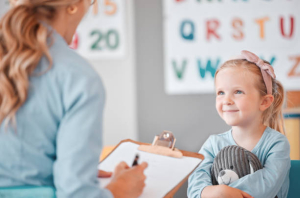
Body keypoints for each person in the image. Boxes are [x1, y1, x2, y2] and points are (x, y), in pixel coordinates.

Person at [0, 0, 147, 198]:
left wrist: (65, 169)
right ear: (73, 6)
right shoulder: (77, 77)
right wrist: (120, 190)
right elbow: (76, 194)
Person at [187, 50, 290, 198]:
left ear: (264, 101)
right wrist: (207, 192)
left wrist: (220, 192)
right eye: (221, 92)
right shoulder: (213, 144)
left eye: (238, 92)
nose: (226, 100)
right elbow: (195, 186)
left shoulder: (277, 144)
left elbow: (265, 186)